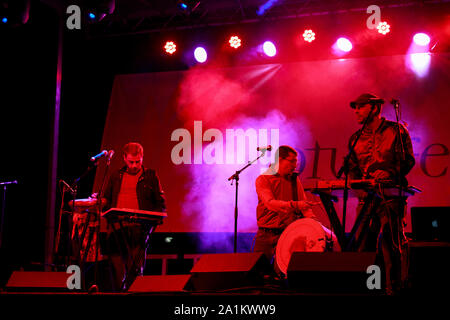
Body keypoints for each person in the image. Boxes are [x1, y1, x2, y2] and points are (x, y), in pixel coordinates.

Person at [346, 93, 415, 295]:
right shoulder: (355, 138)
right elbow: (352, 169)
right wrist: (358, 187)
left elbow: (408, 160)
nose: (356, 111)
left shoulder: (396, 131)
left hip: (391, 197)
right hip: (366, 200)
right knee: (364, 245)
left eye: (360, 107)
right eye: (355, 107)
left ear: (374, 108)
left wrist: (390, 171)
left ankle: (393, 287)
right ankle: (370, 287)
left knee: (390, 244)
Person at [102, 142, 166, 291]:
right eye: (131, 162)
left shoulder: (150, 176)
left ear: (142, 158)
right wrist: (98, 202)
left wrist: (156, 218)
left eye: (138, 161)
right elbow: (106, 200)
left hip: (139, 229)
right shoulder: (115, 176)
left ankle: (134, 294)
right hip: (117, 229)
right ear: (124, 158)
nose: (135, 165)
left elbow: (160, 202)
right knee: (117, 272)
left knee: (135, 272)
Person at [253, 145, 320, 271]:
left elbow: (304, 205)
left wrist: (315, 224)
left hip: (286, 233)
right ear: (280, 159)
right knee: (258, 273)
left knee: (283, 273)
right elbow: (270, 203)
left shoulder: (294, 179)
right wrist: (295, 205)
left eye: (296, 161)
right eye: (292, 161)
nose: (295, 165)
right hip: (265, 234)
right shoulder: (263, 179)